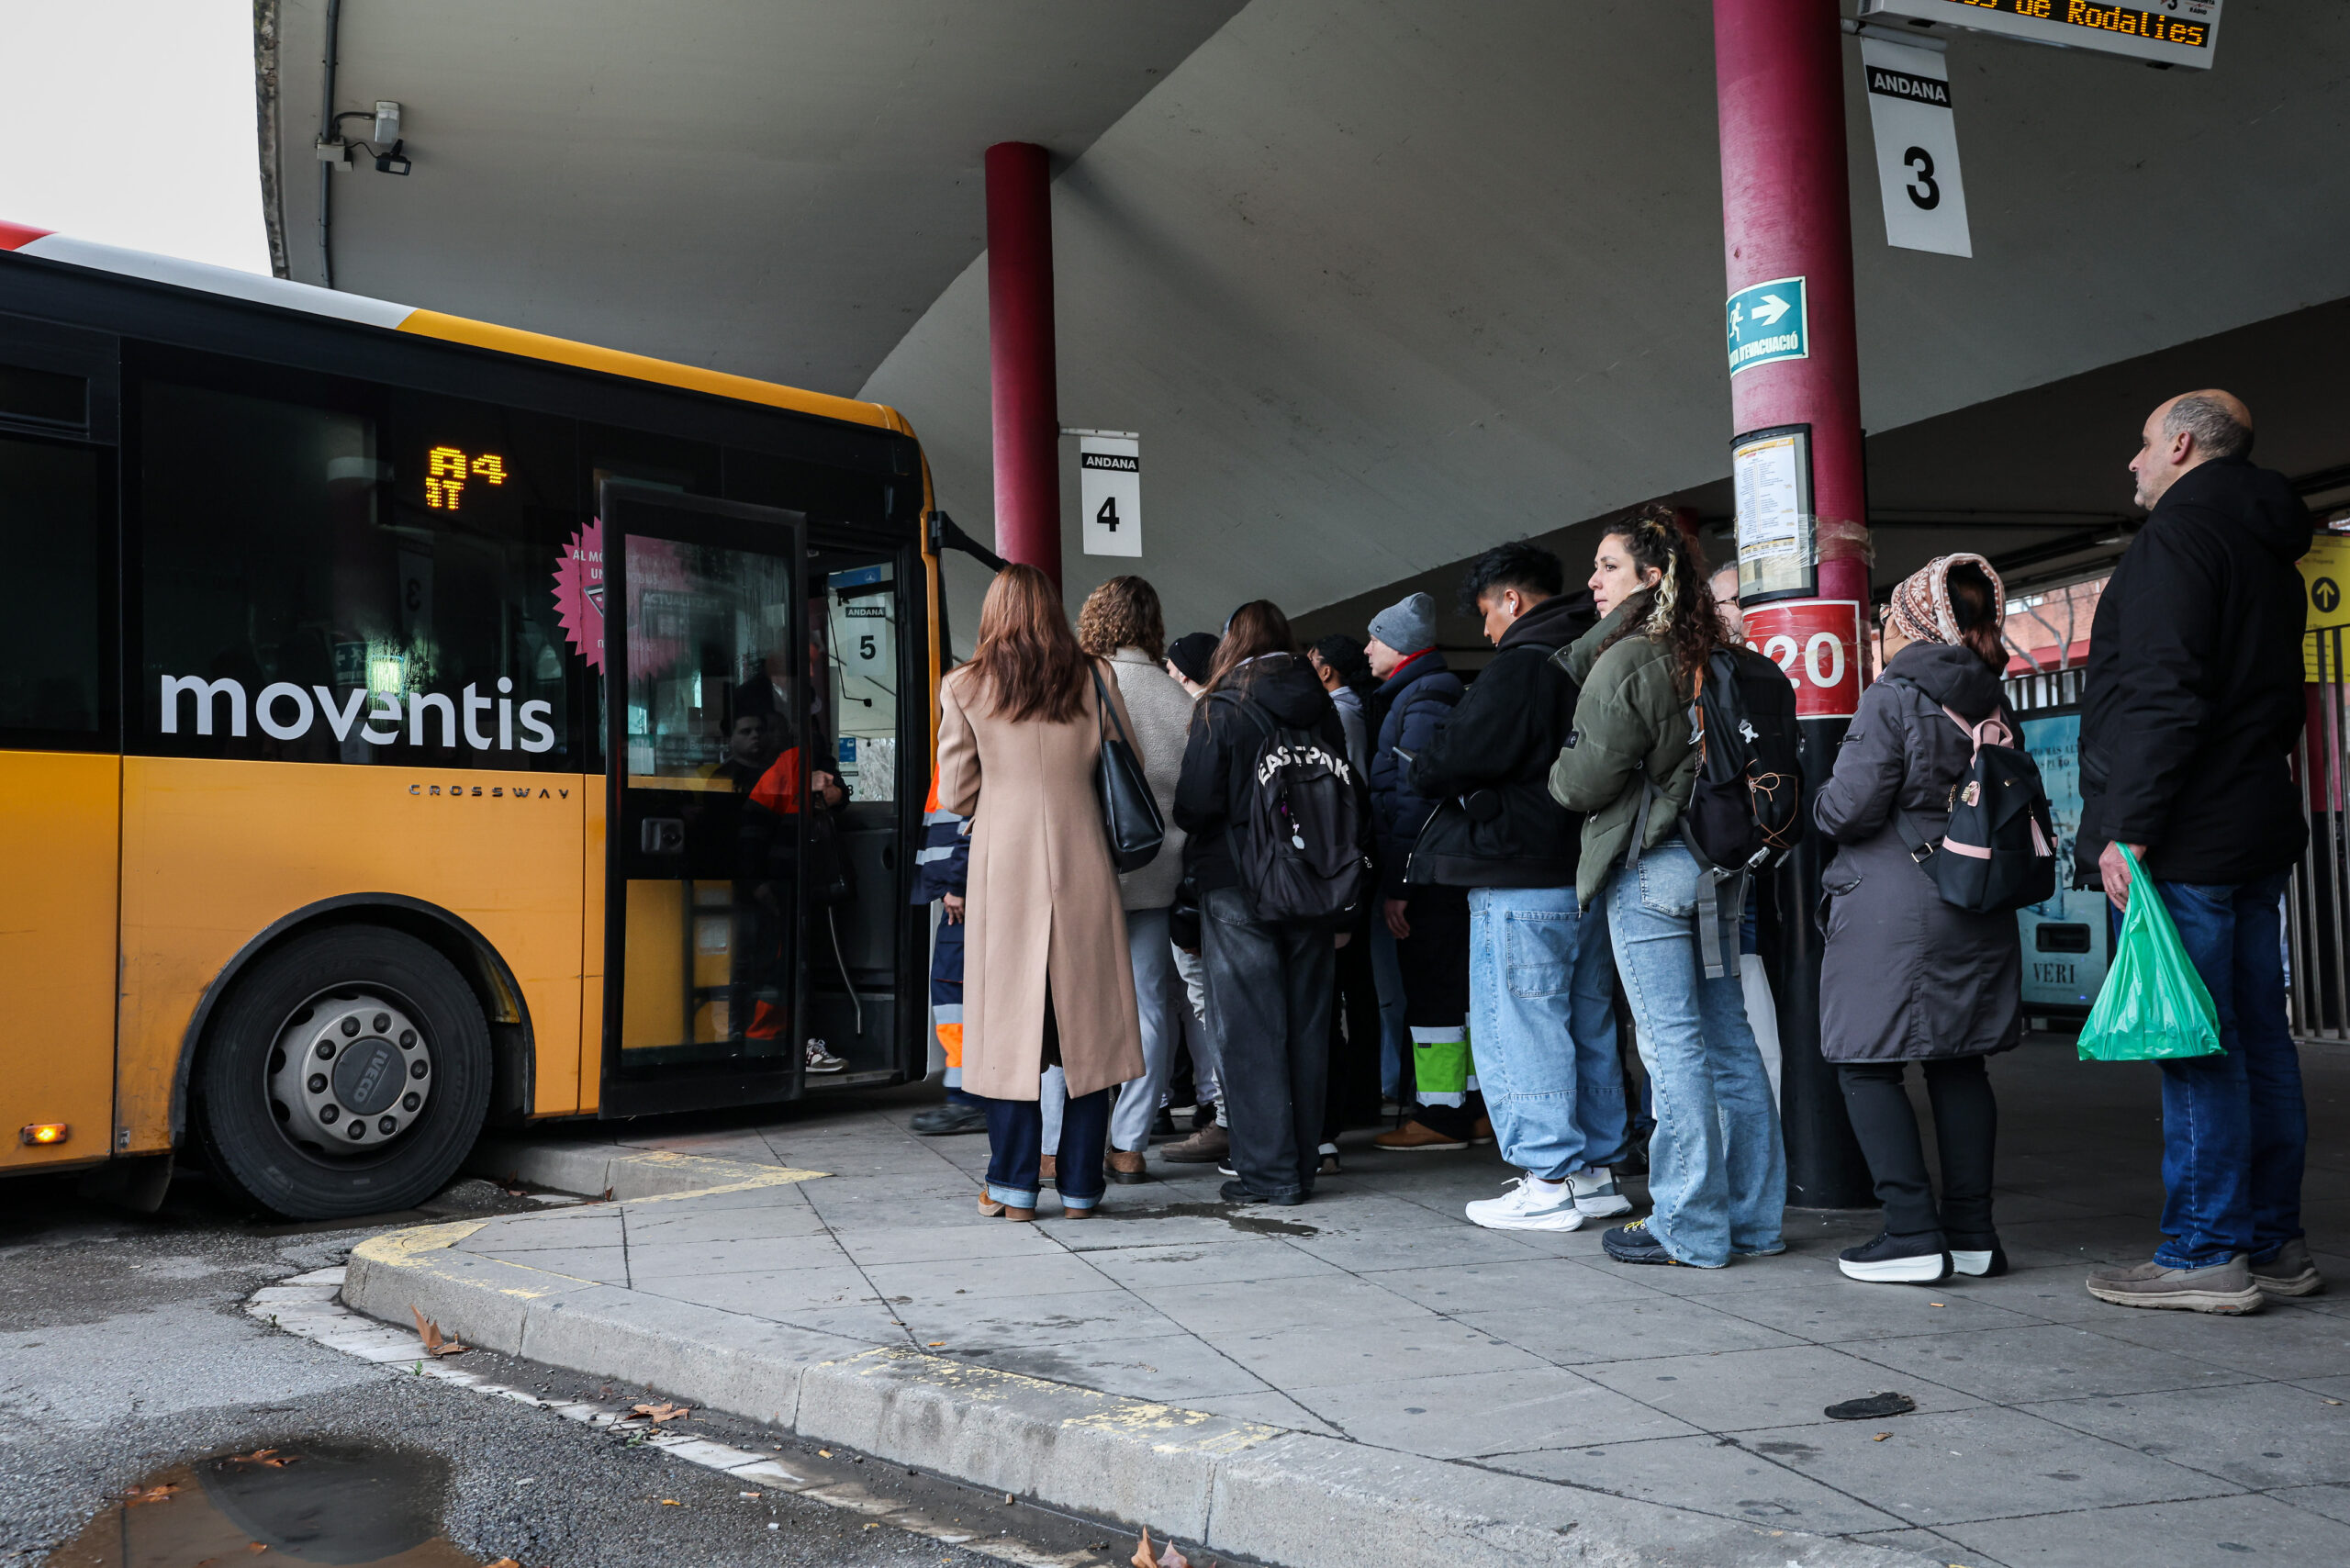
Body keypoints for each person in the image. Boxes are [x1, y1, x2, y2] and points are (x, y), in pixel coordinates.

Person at [2078, 390, 2319, 1313]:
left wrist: (2128, 828)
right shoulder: (2270, 550)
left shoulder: (2178, 540)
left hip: (2185, 834)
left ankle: (2204, 1251)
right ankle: (2273, 1242)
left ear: (2180, 444)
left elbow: (2164, 691)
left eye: (2142, 444)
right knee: (2258, 1036)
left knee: (2193, 1039)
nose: (2132, 463)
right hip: (2253, 825)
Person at [1549, 506, 1785, 1268]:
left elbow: (1582, 782)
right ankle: (1753, 1221)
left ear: (1652, 578)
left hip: (1654, 869)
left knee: (1670, 1045)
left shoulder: (1630, 660)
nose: (1594, 580)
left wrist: (1559, 772)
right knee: (1730, 1040)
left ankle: (1690, 1227)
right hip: (1723, 868)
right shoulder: (1729, 659)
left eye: (1608, 566)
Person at [1406, 543, 1630, 1232]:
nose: (1486, 630)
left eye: (1486, 612)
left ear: (1513, 599)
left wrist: (1430, 765)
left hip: (1518, 872)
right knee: (1586, 1023)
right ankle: (1594, 1174)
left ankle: (1547, 1178)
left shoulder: (1523, 663)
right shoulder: (1597, 653)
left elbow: (1448, 758)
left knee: (1521, 1025)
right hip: (1586, 871)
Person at [1815, 554, 2022, 1284]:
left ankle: (1910, 1232)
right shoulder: (1993, 700)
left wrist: (1818, 798)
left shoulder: (1894, 696)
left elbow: (1848, 809)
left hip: (1894, 910)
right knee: (1959, 1062)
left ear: (1913, 622)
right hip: (1977, 898)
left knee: (1864, 1063)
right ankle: (1972, 1234)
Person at [935, 564, 1146, 1221]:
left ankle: (1012, 1188)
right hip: (1083, 861)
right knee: (1088, 1028)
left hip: (1005, 868)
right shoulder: (1093, 674)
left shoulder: (964, 684)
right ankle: (1081, 1188)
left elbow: (957, 791)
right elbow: (1128, 762)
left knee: (1008, 1029)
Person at [1173, 599, 1363, 1206]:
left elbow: (1194, 806)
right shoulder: (1322, 709)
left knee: (1250, 1030)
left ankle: (1267, 1172)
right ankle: (1303, 1163)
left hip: (1239, 883)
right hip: (1315, 883)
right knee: (1308, 1026)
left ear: (1233, 643)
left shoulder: (1222, 707)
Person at [1071, 576, 1198, 1184]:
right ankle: (1129, 1143)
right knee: (1149, 1007)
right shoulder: (1182, 700)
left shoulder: (1082, 684)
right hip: (1158, 872)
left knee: (1074, 1005)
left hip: (1091, 871)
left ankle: (1061, 1139)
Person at [1360, 593, 1479, 1153]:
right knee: (1455, 993)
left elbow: (1413, 801)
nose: (1367, 649)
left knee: (1433, 996)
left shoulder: (1423, 698)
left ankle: (1440, 1114)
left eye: (1376, 638)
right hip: (1438, 873)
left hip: (1426, 878)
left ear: (1402, 646)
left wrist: (1400, 885)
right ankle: (1472, 1110)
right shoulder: (1426, 693)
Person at [1307, 631, 1382, 1165]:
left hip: (1342, 866)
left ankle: (1354, 1101)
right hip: (1352, 863)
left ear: (1326, 671)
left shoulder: (1339, 715)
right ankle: (1354, 1101)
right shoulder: (1350, 711)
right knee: (1352, 988)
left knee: (1342, 991)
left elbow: (1349, 792)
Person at [1707, 564, 1782, 1106]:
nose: (1742, 612)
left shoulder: (1767, 678)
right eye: (1732, 601)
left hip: (1764, 862)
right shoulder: (1701, 678)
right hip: (1728, 863)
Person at [908, 769, 985, 1135]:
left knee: (954, 992)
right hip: (963, 888)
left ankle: (969, 1099)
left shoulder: (971, 741)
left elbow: (976, 819)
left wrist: (959, 882)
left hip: (967, 893)